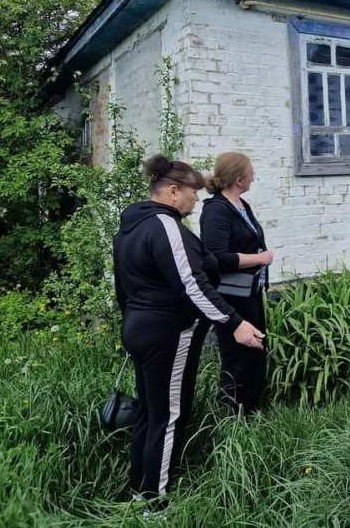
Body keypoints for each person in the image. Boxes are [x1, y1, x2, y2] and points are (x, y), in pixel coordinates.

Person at [113, 155, 264, 503]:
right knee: (168, 415)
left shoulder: (130, 226)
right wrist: (234, 322)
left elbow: (123, 286)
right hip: (168, 330)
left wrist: (130, 322)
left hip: (139, 325)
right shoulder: (165, 226)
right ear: (172, 191)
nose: (196, 198)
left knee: (150, 412)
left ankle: (140, 490)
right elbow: (192, 285)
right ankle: (156, 502)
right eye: (192, 192)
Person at [200, 152, 273, 414]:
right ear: (239, 179)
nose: (254, 175)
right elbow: (216, 258)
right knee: (238, 358)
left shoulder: (241, 204)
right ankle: (232, 418)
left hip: (250, 292)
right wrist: (260, 258)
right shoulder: (216, 210)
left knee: (255, 353)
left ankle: (253, 413)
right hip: (231, 297)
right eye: (251, 171)